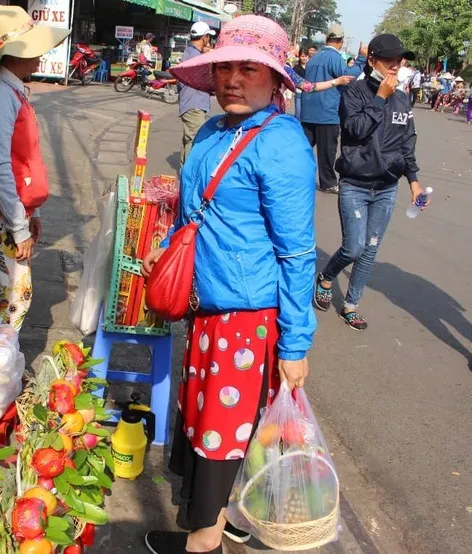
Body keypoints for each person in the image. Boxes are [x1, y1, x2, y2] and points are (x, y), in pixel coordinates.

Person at [143, 15, 317, 554]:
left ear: (276, 80)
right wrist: (169, 244)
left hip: (247, 318)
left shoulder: (282, 144)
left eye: (250, 68)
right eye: (225, 67)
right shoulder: (217, 130)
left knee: (219, 427)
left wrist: (295, 343)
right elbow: (196, 209)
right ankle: (214, 520)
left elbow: (297, 253)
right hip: (207, 307)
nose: (234, 80)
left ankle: (202, 541)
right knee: (207, 421)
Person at [0, 5, 70, 331]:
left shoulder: (8, 89)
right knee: (16, 296)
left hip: (7, 209)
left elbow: (20, 161)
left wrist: (31, 213)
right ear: (14, 53)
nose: (41, 54)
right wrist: (19, 227)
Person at [314, 33, 427, 330]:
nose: (395, 66)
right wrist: (380, 98)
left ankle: (351, 304)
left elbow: (407, 143)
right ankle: (326, 276)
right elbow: (355, 130)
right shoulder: (355, 92)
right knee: (353, 247)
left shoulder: (403, 98)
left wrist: (413, 180)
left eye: (400, 61)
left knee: (370, 249)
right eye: (389, 60)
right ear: (373, 60)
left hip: (387, 188)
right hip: (355, 184)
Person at [300, 24, 366, 193]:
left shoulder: (314, 58)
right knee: (327, 151)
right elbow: (348, 77)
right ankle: (328, 182)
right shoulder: (334, 57)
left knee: (304, 150)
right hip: (327, 111)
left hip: (308, 111)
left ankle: (297, 177)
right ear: (341, 41)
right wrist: (361, 59)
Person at [179, 21, 216, 167]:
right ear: (205, 37)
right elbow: (206, 80)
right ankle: (188, 176)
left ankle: (184, 174)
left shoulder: (190, 53)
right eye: (209, 38)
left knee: (188, 140)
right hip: (194, 104)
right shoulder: (197, 58)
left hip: (190, 103)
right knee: (195, 141)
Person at [292, 47, 309, 119]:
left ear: (308, 57)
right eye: (302, 56)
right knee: (298, 114)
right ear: (299, 57)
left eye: (305, 56)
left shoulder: (311, 67)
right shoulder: (296, 68)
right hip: (299, 92)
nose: (304, 58)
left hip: (309, 93)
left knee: (306, 114)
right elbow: (292, 79)